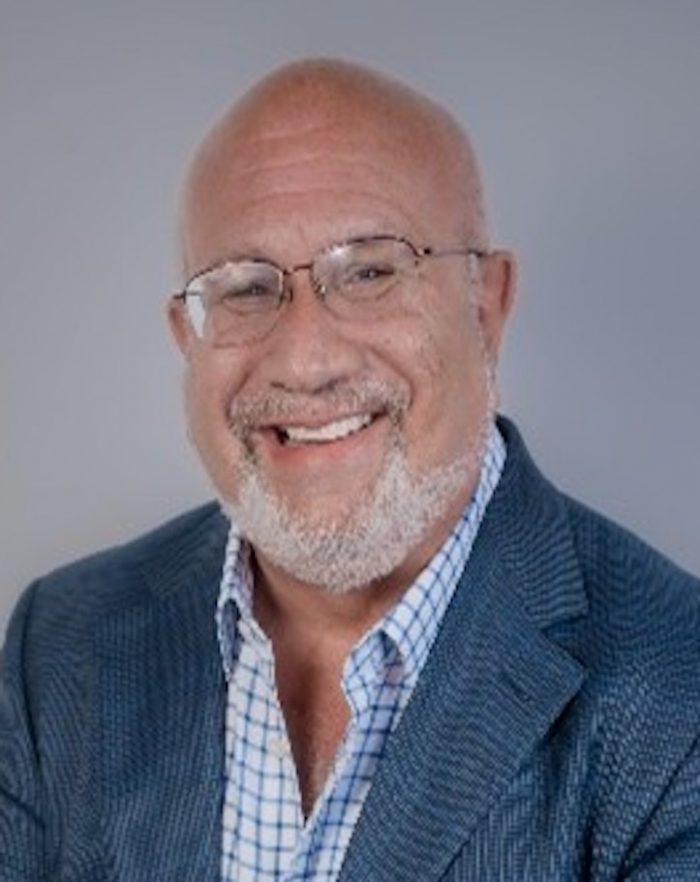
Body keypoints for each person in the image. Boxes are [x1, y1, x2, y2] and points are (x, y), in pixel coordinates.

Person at [1, 58, 699, 882]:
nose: (305, 359)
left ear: (486, 306)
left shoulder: (677, 693)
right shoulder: (61, 644)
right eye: (246, 289)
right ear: (187, 339)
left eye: (370, 272)